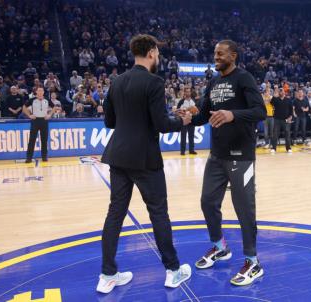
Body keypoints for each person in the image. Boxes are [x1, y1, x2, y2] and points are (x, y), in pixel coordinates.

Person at [98, 34, 192, 294]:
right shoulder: (154, 82)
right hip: (145, 158)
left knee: (114, 214)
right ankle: (173, 271)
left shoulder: (116, 81)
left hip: (118, 155)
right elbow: (162, 125)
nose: (158, 57)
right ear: (151, 52)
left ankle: (107, 275)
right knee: (159, 214)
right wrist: (181, 122)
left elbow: (109, 122)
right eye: (158, 53)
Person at [191, 40, 266, 286]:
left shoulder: (244, 78)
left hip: (241, 156)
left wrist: (233, 114)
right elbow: (203, 116)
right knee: (207, 202)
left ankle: (253, 262)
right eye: (215, 53)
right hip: (217, 156)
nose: (217, 57)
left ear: (233, 55)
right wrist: (188, 117)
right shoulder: (213, 82)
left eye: (221, 53)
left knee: (244, 209)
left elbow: (259, 111)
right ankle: (220, 246)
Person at [23, 86, 55, 162]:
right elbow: (24, 107)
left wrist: (49, 115)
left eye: (42, 91)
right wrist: (29, 115)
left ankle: (44, 157)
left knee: (44, 140)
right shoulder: (32, 100)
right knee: (32, 140)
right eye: (39, 91)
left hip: (44, 121)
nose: (40, 92)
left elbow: (54, 107)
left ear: (43, 92)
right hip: (35, 121)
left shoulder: (47, 100)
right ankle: (29, 158)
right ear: (36, 92)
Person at [271, 89, 293, 153]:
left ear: (284, 93)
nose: (282, 92)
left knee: (287, 134)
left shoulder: (288, 100)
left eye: (282, 91)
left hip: (286, 120)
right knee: (275, 134)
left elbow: (291, 109)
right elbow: (271, 103)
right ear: (279, 93)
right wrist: (274, 96)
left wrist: (290, 116)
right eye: (280, 91)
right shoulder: (276, 99)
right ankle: (273, 148)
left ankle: (288, 148)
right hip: (277, 119)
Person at [176, 87, 197, 155]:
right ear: (184, 92)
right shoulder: (181, 101)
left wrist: (194, 112)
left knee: (191, 136)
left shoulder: (193, 101)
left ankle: (191, 150)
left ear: (190, 92)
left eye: (189, 91)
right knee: (183, 136)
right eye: (187, 92)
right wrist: (186, 110)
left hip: (191, 120)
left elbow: (196, 110)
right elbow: (177, 111)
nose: (188, 93)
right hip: (184, 121)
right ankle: (182, 151)